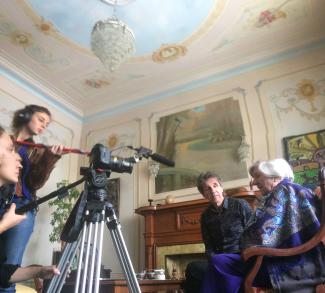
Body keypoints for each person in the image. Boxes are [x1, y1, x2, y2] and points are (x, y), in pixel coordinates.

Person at [201, 158, 325, 293]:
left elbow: (260, 235)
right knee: (219, 262)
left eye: (258, 176)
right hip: (302, 259)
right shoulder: (296, 190)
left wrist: (245, 244)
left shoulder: (283, 191)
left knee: (219, 263)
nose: (253, 182)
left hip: (284, 263)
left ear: (275, 176)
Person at [0, 105, 63, 293]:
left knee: (9, 263)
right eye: (41, 119)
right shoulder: (4, 140)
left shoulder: (38, 150)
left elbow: (35, 183)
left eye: (47, 124)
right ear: (26, 116)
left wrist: (50, 158)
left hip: (21, 206)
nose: (44, 126)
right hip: (1, 201)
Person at [183, 172, 253, 293]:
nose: (213, 190)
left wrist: (246, 255)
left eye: (215, 185)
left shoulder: (240, 205)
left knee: (216, 264)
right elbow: (209, 246)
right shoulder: (205, 216)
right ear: (204, 195)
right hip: (218, 260)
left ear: (221, 187)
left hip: (240, 258)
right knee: (193, 268)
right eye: (208, 189)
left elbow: (253, 235)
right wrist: (213, 259)